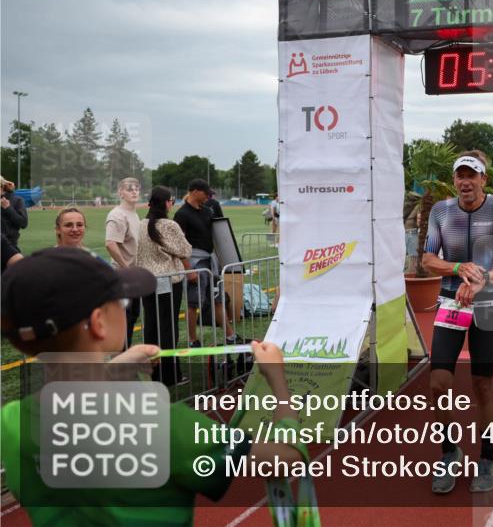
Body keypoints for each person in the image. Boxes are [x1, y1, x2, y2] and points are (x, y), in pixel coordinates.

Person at [0, 247, 304, 526]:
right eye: (120, 301)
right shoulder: (165, 424)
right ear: (98, 324)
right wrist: (277, 382)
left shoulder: (12, 421)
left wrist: (113, 369)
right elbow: (284, 460)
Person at [422, 150, 493, 494]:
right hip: (450, 302)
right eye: (459, 175)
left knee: (482, 386)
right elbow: (427, 260)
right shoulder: (441, 211)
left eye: (471, 175)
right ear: (455, 180)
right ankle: (450, 451)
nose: (465, 181)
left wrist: (484, 279)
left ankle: (487, 458)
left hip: (486, 303)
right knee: (437, 383)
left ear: (483, 179)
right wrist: (455, 268)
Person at [136, 186, 193, 386]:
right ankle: (170, 375)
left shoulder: (142, 224)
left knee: (151, 327)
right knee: (168, 329)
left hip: (146, 280)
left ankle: (153, 372)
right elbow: (185, 249)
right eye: (171, 200)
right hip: (167, 280)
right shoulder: (168, 225)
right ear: (166, 203)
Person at [174, 179, 241, 348]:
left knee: (218, 300)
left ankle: (230, 335)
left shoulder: (208, 211)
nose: (208, 196)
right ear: (195, 191)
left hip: (210, 263)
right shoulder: (182, 214)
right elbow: (179, 245)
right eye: (206, 193)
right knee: (192, 304)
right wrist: (189, 270)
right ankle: (192, 340)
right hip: (195, 264)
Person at [105, 177, 143, 347]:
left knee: (132, 317)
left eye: (136, 188)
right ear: (120, 192)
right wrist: (127, 268)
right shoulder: (117, 214)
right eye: (129, 188)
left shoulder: (133, 214)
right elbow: (110, 244)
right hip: (123, 276)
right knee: (123, 322)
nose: (134, 191)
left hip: (133, 276)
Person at [1, 176, 28, 252]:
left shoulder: (17, 200)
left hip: (10, 246)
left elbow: (23, 223)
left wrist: (8, 208)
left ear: (2, 187)